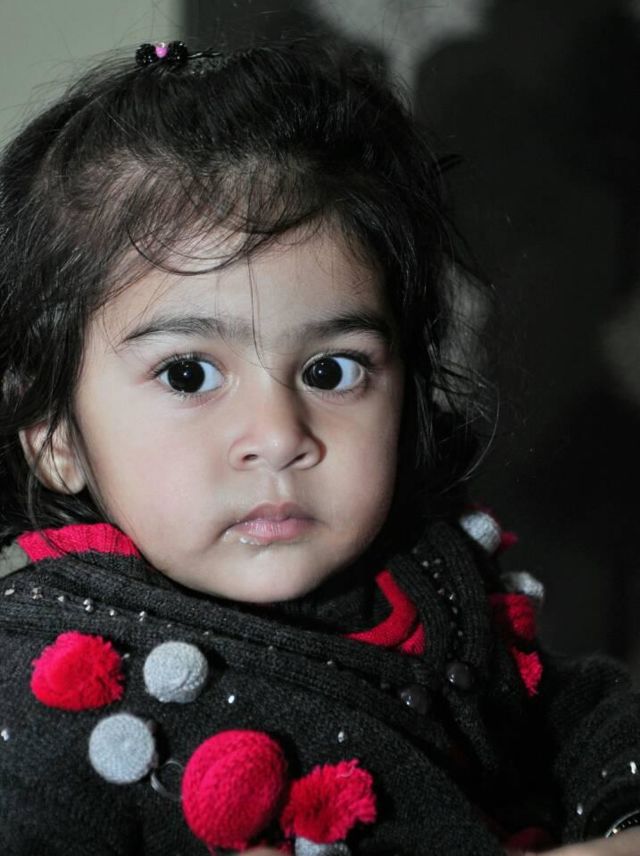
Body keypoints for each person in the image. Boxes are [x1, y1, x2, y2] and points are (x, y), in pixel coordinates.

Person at [0, 37, 638, 856]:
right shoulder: (38, 689)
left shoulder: (429, 570)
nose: (279, 437)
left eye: (332, 371)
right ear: (56, 435)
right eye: (189, 374)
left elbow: (572, 717)